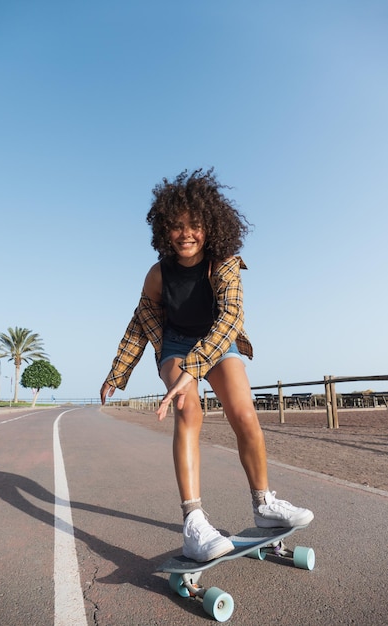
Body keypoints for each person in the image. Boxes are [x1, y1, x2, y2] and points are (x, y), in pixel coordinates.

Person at [100, 168, 314, 563]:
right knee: (188, 409)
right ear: (164, 230)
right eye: (176, 226)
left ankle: (264, 504)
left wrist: (196, 370)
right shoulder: (157, 274)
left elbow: (230, 318)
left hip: (219, 341)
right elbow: (139, 323)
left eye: (194, 225)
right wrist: (118, 372)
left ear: (210, 226)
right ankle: (194, 523)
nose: (186, 233)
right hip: (176, 345)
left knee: (244, 412)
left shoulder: (225, 263)